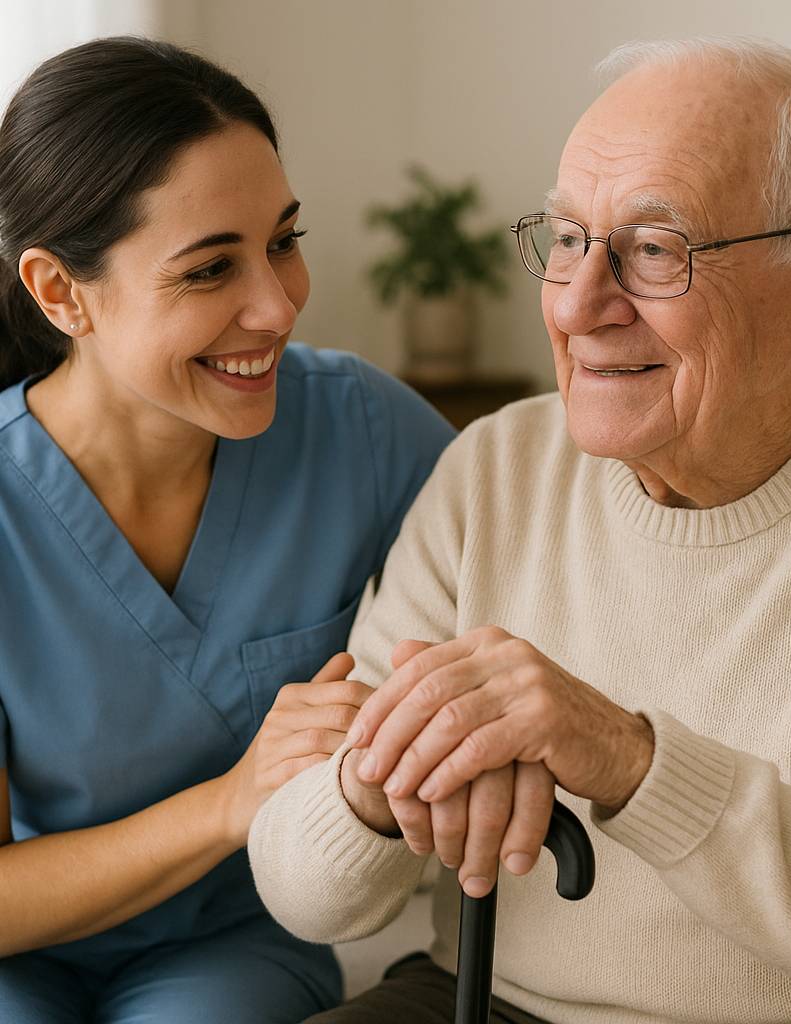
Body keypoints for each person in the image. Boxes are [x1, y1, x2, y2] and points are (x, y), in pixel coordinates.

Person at [248, 37, 791, 1024]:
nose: (578, 304)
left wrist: (630, 760)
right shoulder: (496, 467)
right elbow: (305, 890)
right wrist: (379, 779)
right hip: (479, 1001)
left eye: (655, 250)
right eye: (568, 238)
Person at [0, 36, 454, 1024]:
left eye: (283, 241)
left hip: (231, 947)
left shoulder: (363, 429)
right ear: (58, 291)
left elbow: (539, 556)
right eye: (210, 270)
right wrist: (229, 800)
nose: (278, 305)